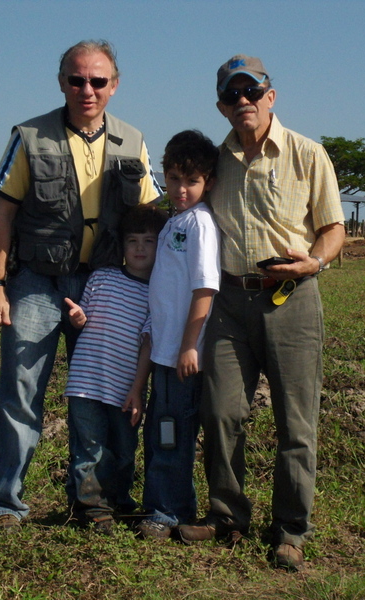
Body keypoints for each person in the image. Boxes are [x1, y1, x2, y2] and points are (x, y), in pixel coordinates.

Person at [0, 39, 162, 534]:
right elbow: (2, 210)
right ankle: (6, 506)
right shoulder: (29, 135)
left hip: (108, 285)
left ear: (115, 85)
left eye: (98, 81)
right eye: (77, 79)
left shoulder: (133, 141)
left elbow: (151, 217)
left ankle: (96, 503)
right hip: (37, 280)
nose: (88, 89)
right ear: (61, 81)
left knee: (106, 395)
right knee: (21, 393)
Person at [176, 55, 346, 571]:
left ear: (271, 96)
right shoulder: (215, 161)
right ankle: (228, 517)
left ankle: (291, 531)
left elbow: (333, 227)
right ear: (221, 107)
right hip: (229, 300)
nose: (243, 101)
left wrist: (313, 261)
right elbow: (179, 196)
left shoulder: (307, 154)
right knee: (221, 411)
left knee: (296, 421)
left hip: (292, 298)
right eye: (232, 95)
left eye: (252, 92)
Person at [135, 130, 221, 540]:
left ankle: (170, 511)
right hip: (164, 353)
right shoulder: (174, 222)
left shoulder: (200, 224)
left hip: (181, 355)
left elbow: (204, 287)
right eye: (173, 180)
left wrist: (190, 344)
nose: (181, 190)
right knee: (160, 429)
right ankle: (160, 502)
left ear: (208, 183)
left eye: (192, 181)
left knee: (171, 432)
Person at [62, 204, 168, 533]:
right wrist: (79, 318)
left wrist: (137, 390)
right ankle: (92, 508)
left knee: (124, 450)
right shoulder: (102, 277)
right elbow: (85, 317)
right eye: (132, 240)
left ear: (160, 246)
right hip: (85, 383)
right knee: (89, 447)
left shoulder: (157, 294)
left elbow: (148, 346)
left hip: (124, 389)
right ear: (121, 245)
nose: (139, 248)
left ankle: (117, 500)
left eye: (148, 241)